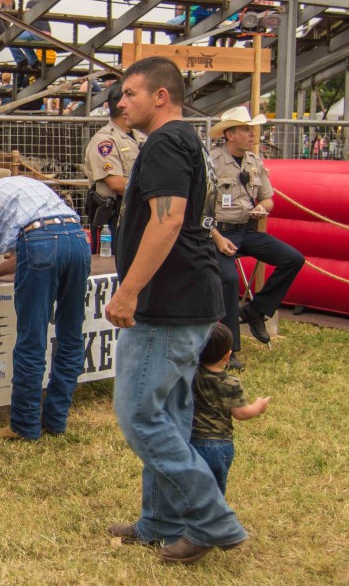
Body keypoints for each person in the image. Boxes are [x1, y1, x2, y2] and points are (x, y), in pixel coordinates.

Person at [104, 56, 247, 564]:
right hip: (189, 296)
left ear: (160, 96)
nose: (122, 103)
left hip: (167, 302)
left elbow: (168, 223)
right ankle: (161, 521)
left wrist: (129, 291)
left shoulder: (166, 141)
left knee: (141, 414)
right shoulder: (191, 141)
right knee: (169, 412)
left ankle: (212, 520)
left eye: (130, 93)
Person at [0, 172, 91, 441]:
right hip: (76, 237)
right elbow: (30, 249)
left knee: (31, 339)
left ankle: (24, 425)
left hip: (39, 241)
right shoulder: (23, 187)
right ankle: (56, 420)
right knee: (70, 336)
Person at [208, 106, 304, 369]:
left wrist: (263, 207)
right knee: (228, 278)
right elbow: (199, 207)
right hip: (218, 233)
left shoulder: (254, 162)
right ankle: (228, 349)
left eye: (252, 129)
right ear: (229, 134)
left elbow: (268, 198)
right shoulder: (212, 162)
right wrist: (215, 236)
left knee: (293, 259)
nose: (252, 134)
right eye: (245, 129)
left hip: (247, 230)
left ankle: (256, 310)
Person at [190, 323, 270, 496]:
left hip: (192, 442)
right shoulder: (231, 383)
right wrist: (259, 406)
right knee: (215, 492)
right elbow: (241, 413)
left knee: (192, 489)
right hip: (220, 446)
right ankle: (213, 519)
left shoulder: (193, 375)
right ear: (228, 355)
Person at [83, 83, 146, 253]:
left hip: (138, 211)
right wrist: (153, 190)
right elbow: (116, 183)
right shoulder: (105, 141)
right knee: (112, 266)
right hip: (112, 218)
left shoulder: (140, 136)